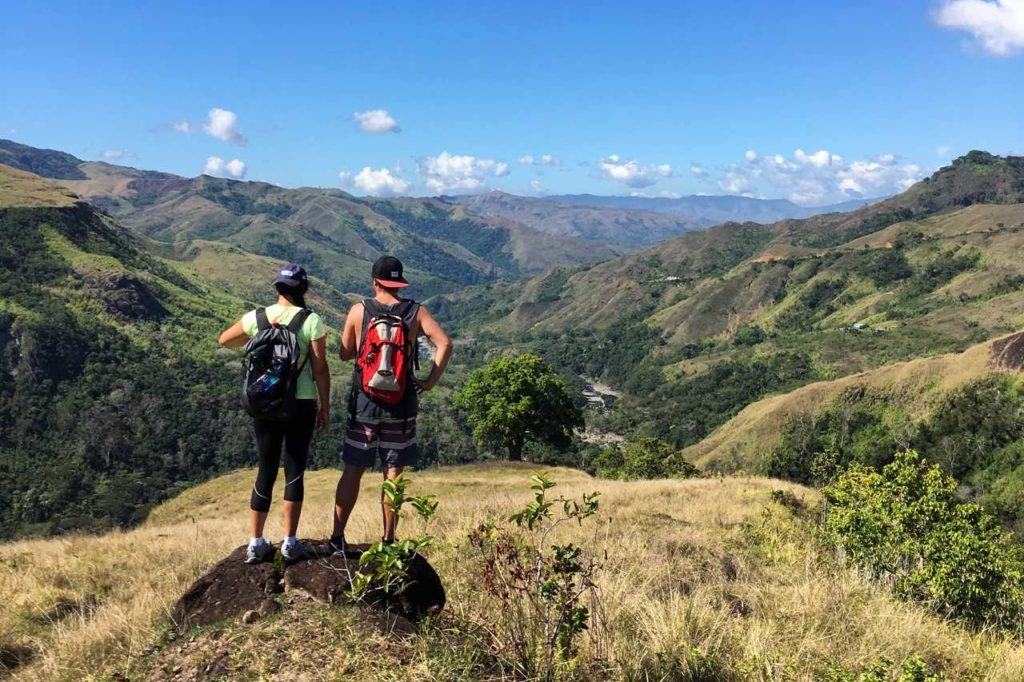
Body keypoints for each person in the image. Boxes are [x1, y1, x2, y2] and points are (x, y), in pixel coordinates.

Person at [330, 255, 452, 553]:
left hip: (365, 403)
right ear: (399, 283)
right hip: (401, 402)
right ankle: (388, 540)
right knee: (393, 473)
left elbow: (344, 354)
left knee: (353, 469)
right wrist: (429, 381)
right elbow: (445, 344)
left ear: (375, 281)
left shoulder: (359, 310)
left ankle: (336, 538)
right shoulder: (416, 312)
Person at [218, 263, 331, 563]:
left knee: (265, 468)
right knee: (294, 470)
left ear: (278, 288)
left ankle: (256, 542)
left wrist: (256, 337)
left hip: (264, 402)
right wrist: (325, 405)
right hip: (300, 402)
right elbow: (321, 368)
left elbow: (225, 340)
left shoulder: (257, 317)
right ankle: (290, 542)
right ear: (303, 289)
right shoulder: (311, 321)